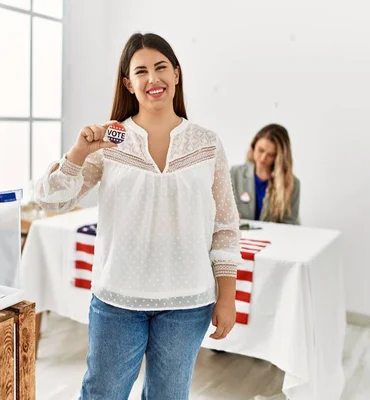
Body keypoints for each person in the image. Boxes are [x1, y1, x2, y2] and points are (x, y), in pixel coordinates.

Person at [34, 32, 241, 400]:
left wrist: (227, 296)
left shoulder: (207, 143)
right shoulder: (110, 140)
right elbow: (51, 201)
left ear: (177, 74)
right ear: (129, 83)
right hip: (118, 300)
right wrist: (80, 151)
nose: (153, 79)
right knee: (102, 393)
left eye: (161, 67)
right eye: (141, 71)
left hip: (188, 303)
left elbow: (224, 226)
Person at [230, 124, 300, 224]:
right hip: (242, 237)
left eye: (271, 155)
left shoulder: (292, 184)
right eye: (260, 150)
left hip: (275, 238)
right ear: (253, 146)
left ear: (279, 157)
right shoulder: (234, 174)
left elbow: (290, 224)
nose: (263, 158)